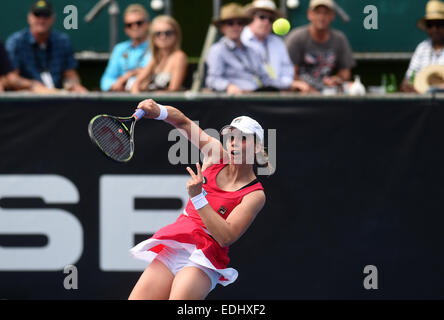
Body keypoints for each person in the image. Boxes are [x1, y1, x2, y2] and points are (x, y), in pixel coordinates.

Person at [128, 98, 270, 299]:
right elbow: (183, 122)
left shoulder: (254, 195)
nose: (234, 143)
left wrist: (198, 198)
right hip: (176, 245)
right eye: (231, 137)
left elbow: (226, 236)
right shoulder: (216, 155)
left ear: (257, 147)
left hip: (205, 257)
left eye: (243, 138)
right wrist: (158, 110)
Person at [5, 0, 87, 93]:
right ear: (29, 18)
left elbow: (70, 74)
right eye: (37, 15)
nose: (41, 20)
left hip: (58, 98)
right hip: (27, 99)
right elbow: (10, 78)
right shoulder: (16, 42)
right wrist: (32, 86)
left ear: (53, 18)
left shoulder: (63, 41)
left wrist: (73, 86)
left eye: (46, 15)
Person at [205, 3, 277, 94]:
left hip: (256, 96)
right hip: (234, 101)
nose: (236, 27)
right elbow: (213, 79)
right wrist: (229, 86)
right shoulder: (217, 50)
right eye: (230, 23)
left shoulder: (252, 50)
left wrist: (279, 87)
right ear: (222, 27)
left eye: (240, 23)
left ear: (244, 26)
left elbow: (264, 77)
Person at [285, 0, 355, 93]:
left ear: (332, 16)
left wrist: (336, 79)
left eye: (326, 13)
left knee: (353, 87)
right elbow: (290, 74)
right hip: (302, 92)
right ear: (309, 14)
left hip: (328, 91)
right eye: (317, 12)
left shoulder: (340, 39)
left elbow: (345, 73)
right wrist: (309, 88)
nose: (321, 17)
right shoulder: (296, 38)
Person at [242, 0, 296, 91]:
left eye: (271, 19)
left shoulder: (278, 42)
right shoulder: (240, 40)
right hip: (246, 95)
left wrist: (280, 86)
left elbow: (287, 72)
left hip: (276, 95)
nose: (267, 22)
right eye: (262, 17)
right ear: (251, 18)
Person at [100, 4, 152, 92]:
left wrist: (128, 76)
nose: (134, 27)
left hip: (149, 96)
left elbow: (154, 73)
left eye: (139, 23)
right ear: (125, 29)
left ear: (148, 24)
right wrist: (117, 85)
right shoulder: (119, 49)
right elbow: (105, 81)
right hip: (123, 97)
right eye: (129, 25)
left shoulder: (157, 46)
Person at [130, 15, 187, 93]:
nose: (163, 37)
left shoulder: (179, 57)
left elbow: (173, 91)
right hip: (151, 102)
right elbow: (136, 84)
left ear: (176, 35)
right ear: (152, 37)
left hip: (167, 104)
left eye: (168, 33)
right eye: (158, 33)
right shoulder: (155, 57)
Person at [401, 0, 444, 92]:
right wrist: (410, 87)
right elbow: (408, 79)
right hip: (422, 102)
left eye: (439, 24)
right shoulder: (422, 48)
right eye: (430, 25)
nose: (434, 29)